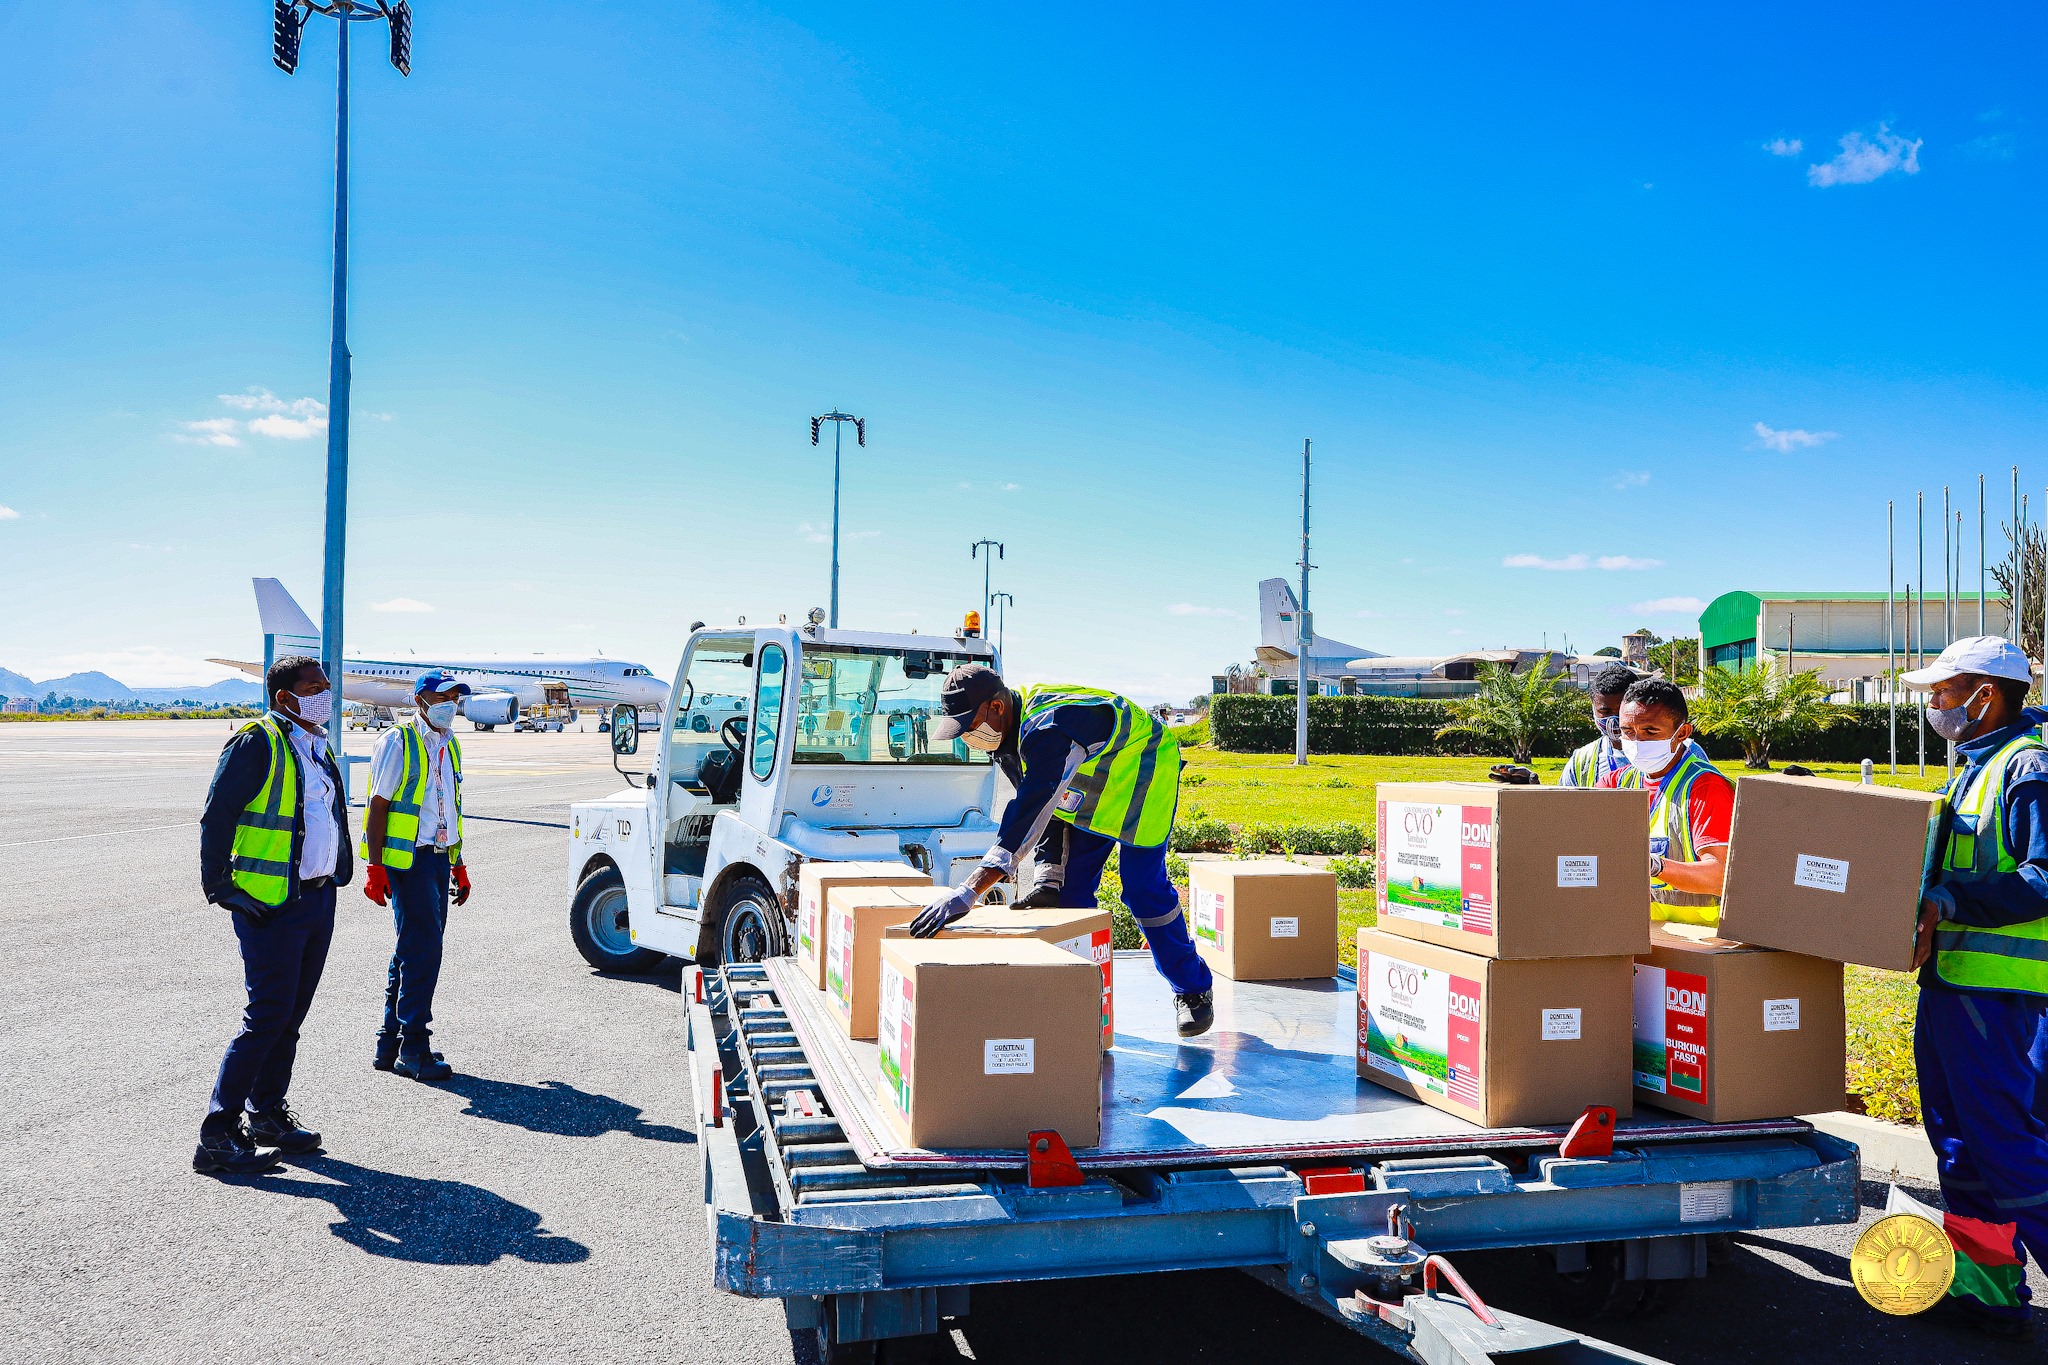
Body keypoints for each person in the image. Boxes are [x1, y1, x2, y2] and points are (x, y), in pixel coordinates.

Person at [909, 664, 1217, 1037]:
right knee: (1069, 896)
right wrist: (1048, 877)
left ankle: (1192, 989)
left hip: (1144, 771)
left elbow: (1031, 810)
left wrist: (968, 891)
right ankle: (1078, 1003)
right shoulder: (1008, 734)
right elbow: (1044, 808)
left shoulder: (1048, 729)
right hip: (1096, 786)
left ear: (996, 707)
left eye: (969, 726)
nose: (968, 738)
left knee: (1142, 888)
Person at [1902, 636, 2048, 1336]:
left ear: (1986, 694)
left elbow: (2043, 876)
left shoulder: (2026, 768)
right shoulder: (1974, 766)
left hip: (1998, 994)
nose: (1935, 703)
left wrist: (1951, 899)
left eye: (1944, 690)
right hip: (1952, 984)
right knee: (1958, 1147)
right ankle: (1988, 1294)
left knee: (2005, 1149)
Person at [194, 655, 351, 1175]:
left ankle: (266, 1114)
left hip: (316, 898)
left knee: (290, 1017)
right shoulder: (256, 742)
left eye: (325, 686)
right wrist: (220, 886)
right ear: (285, 697)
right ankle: (218, 1136)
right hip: (270, 903)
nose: (325, 695)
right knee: (266, 1016)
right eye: (314, 687)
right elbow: (217, 817)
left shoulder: (316, 745)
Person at [362, 671, 474, 1081]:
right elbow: (377, 805)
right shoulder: (399, 741)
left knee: (410, 949)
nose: (450, 704)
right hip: (407, 861)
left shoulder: (449, 744)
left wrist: (457, 863)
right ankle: (414, 1048)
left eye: (455, 697)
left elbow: (448, 808)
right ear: (421, 700)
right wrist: (375, 866)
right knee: (423, 952)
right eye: (443, 697)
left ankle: (390, 1042)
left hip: (437, 858)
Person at [1599, 676, 1732, 924]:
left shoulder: (1706, 787)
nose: (1637, 742)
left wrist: (1655, 867)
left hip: (1699, 936)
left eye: (1650, 731)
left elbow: (1721, 876)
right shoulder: (1614, 783)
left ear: (1682, 733)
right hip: (1642, 935)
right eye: (1628, 732)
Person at [1559, 664, 1640, 787]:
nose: (1614, 719)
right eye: (1605, 712)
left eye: (1621, 711)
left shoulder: (1658, 756)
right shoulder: (1581, 761)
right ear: (1594, 709)